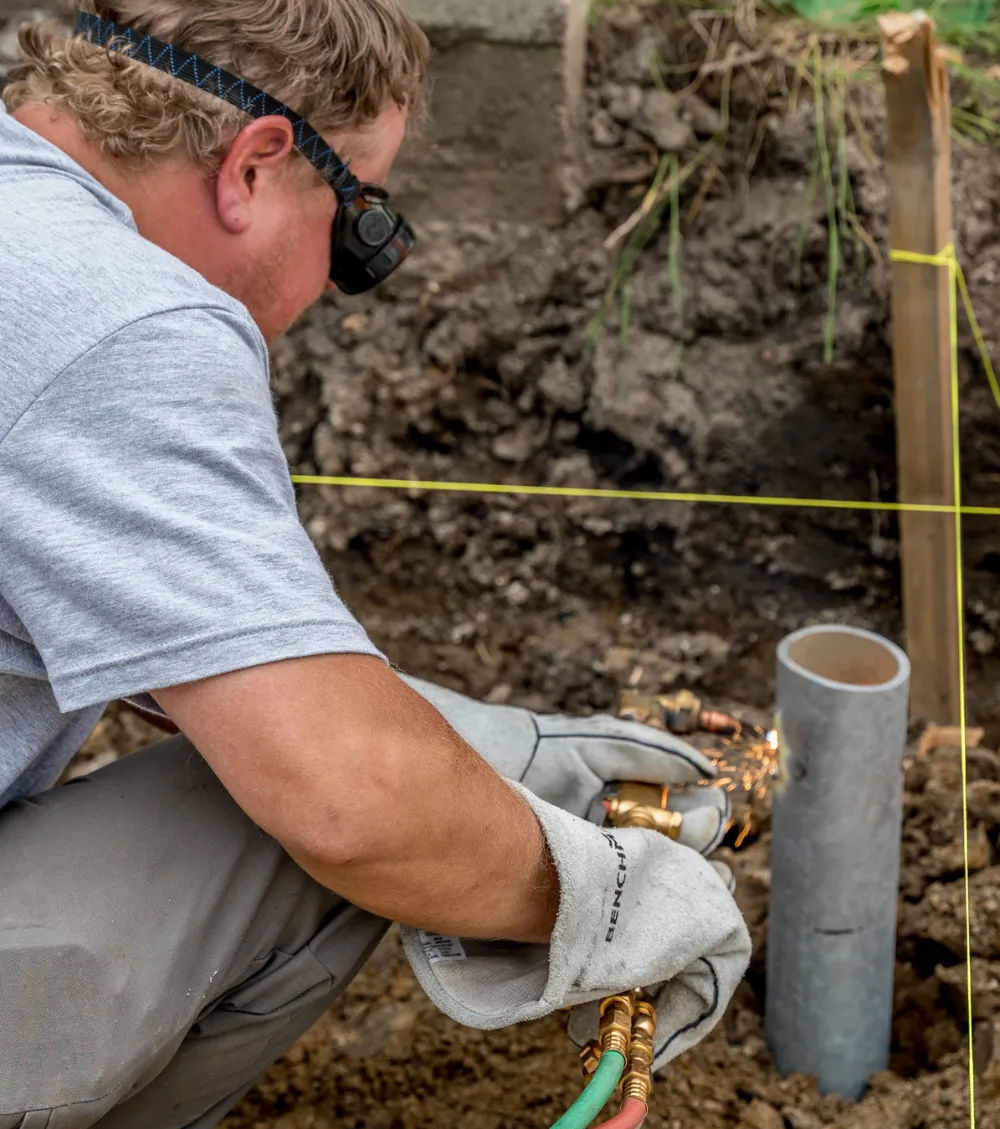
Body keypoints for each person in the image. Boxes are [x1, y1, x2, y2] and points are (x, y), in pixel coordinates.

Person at [0, 3, 752, 1127]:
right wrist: (604, 901)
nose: (333, 287)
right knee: (303, 836)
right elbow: (349, 805)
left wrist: (500, 753)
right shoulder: (126, 320)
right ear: (255, 163)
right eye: (359, 226)